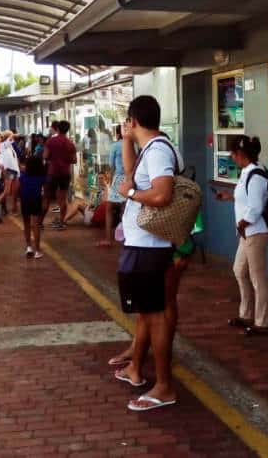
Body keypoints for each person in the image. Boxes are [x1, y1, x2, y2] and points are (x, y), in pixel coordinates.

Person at [114, 95, 182, 412]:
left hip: (149, 247)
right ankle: (137, 369)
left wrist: (128, 193)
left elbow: (162, 193)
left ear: (134, 119)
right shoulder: (152, 149)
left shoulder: (158, 152)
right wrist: (127, 139)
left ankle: (164, 386)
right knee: (149, 312)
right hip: (144, 244)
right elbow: (131, 172)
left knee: (156, 316)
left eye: (129, 122)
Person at [214, 136, 268, 336]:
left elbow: (256, 208)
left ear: (241, 154)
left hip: (255, 232)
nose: (231, 157)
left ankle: (262, 322)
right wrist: (229, 197)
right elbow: (248, 200)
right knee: (239, 270)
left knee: (257, 277)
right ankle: (246, 313)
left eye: (233, 154)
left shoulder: (256, 175)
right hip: (247, 233)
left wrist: (242, 223)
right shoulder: (247, 172)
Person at [43, 120, 76, 231]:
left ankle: (40, 222)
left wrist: (53, 158)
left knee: (46, 198)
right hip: (65, 173)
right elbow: (74, 160)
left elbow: (45, 156)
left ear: (57, 128)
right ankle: (62, 222)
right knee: (62, 199)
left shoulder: (51, 141)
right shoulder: (70, 143)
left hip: (52, 173)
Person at [98, 124, 125, 248]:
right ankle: (127, 238)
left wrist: (109, 181)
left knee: (109, 209)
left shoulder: (115, 146)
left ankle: (108, 239)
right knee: (125, 210)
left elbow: (111, 166)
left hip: (118, 179)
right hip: (130, 179)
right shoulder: (135, 145)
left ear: (118, 134)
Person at [19, 154, 47, 259]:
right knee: (36, 225)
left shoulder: (23, 176)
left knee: (26, 224)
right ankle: (38, 250)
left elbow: (19, 187)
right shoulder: (41, 177)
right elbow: (45, 191)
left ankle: (29, 247)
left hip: (24, 200)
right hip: (36, 199)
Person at [0, 130, 21, 215]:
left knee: (15, 190)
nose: (12, 138)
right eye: (10, 136)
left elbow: (14, 158)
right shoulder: (3, 145)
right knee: (7, 191)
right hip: (9, 170)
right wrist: (15, 134)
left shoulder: (10, 146)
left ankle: (14, 208)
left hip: (15, 170)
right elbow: (11, 138)